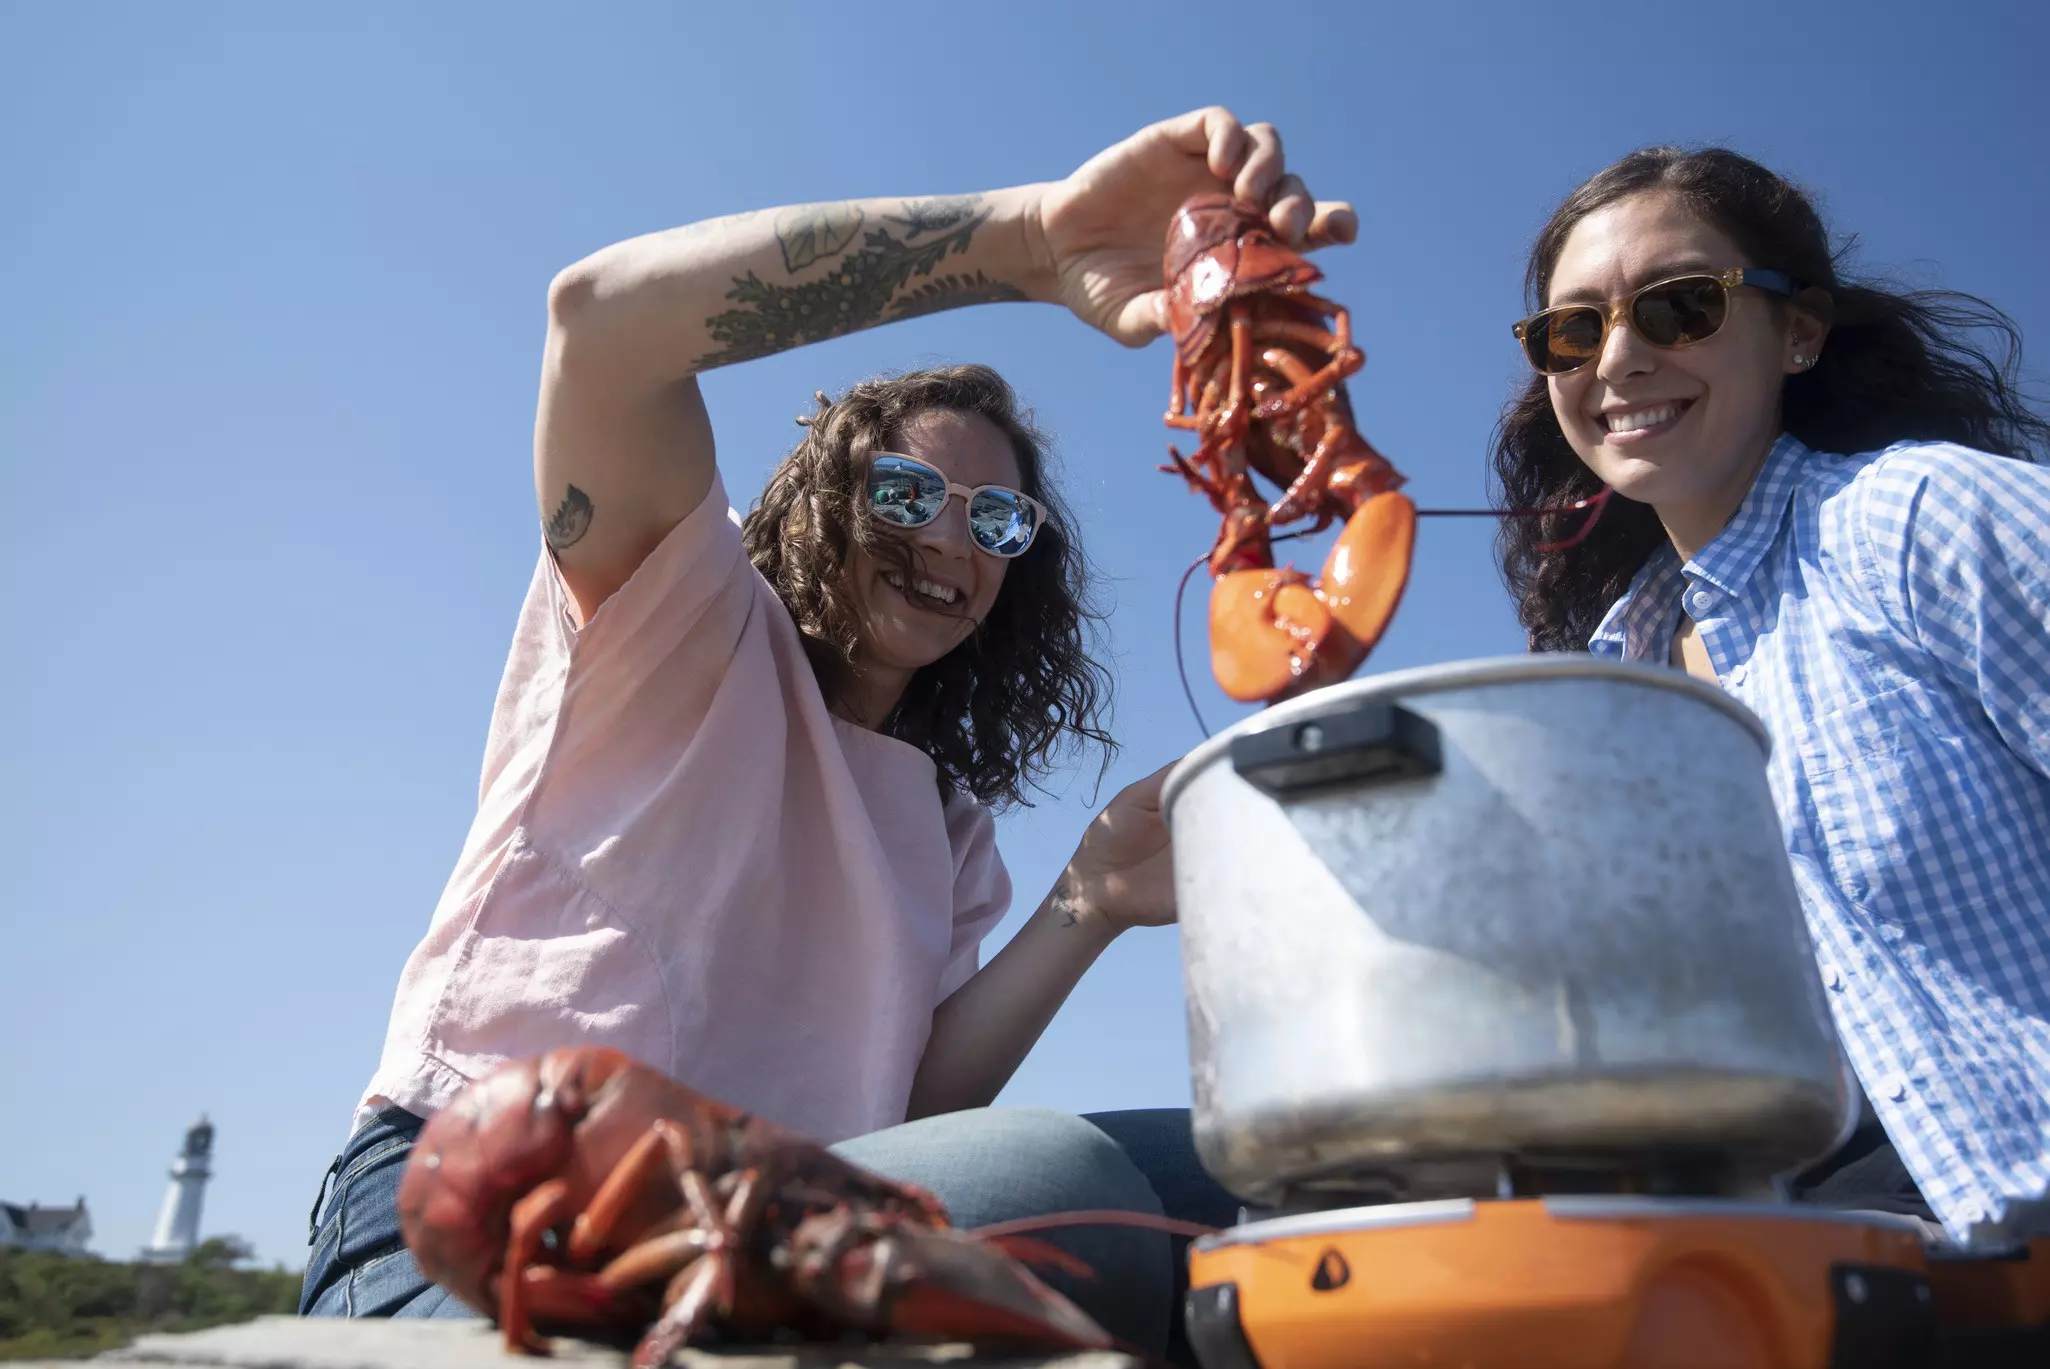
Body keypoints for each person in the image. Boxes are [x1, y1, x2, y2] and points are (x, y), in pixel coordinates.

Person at [297, 108, 1356, 1359]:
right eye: (905, 494)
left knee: (1286, 1178)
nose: (950, 543)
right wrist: (1029, 241)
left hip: (795, 1221)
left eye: (998, 522)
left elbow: (908, 1113)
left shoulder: (949, 831)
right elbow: (601, 322)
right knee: (1068, 1185)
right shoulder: (682, 627)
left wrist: (1097, 895)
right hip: (485, 1229)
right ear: (816, 507)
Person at [1493, 146, 2050, 1248]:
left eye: (1679, 306)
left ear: (1798, 331)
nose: (1620, 358)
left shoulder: (1919, 518)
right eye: (1573, 329)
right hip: (1776, 1237)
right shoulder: (1617, 681)